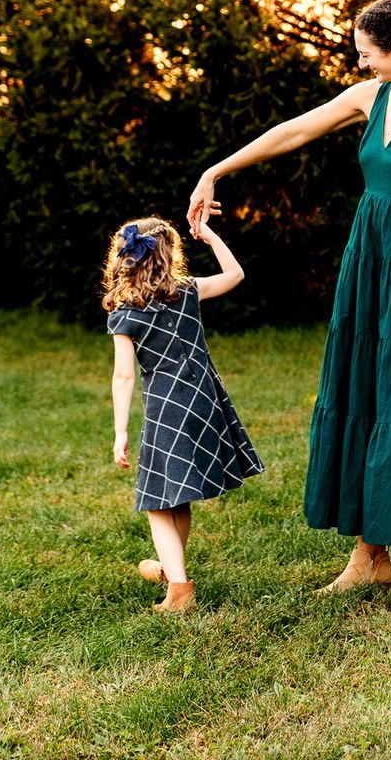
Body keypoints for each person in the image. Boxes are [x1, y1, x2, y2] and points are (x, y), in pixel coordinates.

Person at [187, 0, 391, 599]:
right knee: (365, 387)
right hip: (371, 259)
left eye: (366, 52)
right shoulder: (370, 97)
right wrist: (217, 170)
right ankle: (370, 552)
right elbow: (297, 129)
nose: (359, 62)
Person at [103, 214, 263, 614]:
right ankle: (170, 566)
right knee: (179, 494)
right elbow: (235, 274)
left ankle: (179, 590)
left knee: (157, 502)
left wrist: (120, 431)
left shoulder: (126, 311)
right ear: (169, 255)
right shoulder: (188, 291)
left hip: (167, 406)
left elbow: (124, 376)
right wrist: (209, 236)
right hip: (205, 401)